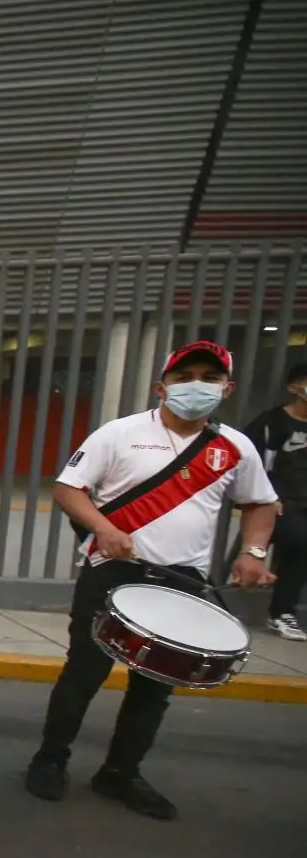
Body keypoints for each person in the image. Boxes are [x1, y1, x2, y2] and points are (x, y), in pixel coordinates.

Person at [25, 340, 278, 819]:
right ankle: (50, 757)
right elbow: (68, 488)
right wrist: (103, 527)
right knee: (85, 671)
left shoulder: (234, 447)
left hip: (182, 579)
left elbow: (261, 503)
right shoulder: (119, 434)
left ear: (228, 388)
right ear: (160, 387)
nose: (195, 387)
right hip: (111, 570)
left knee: (155, 684)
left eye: (208, 377)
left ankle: (120, 772)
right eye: (183, 378)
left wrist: (252, 551)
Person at [243, 360, 307, 641]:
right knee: (294, 541)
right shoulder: (270, 423)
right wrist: (266, 498)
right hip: (274, 501)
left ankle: (281, 613)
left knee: (300, 552)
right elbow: (248, 462)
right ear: (295, 387)